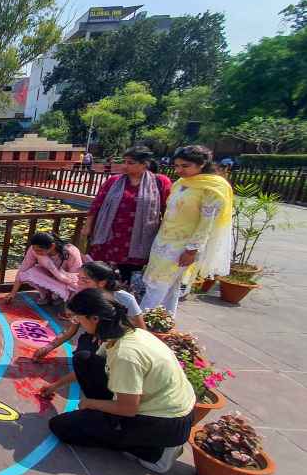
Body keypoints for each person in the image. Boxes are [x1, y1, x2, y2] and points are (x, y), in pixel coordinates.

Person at [44, 289, 196, 473]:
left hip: (164, 423)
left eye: (79, 319)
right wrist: (55, 386)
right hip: (159, 407)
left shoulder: (126, 354)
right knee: (84, 359)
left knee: (61, 427)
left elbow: (128, 408)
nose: (79, 324)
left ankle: (155, 452)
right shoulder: (123, 334)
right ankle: (111, 422)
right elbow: (90, 369)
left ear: (94, 318)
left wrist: (91, 403)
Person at [140, 145, 233, 316]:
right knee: (168, 285)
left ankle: (140, 323)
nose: (179, 170)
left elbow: (207, 223)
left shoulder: (211, 188)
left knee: (158, 283)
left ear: (202, 164)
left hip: (184, 245)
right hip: (164, 240)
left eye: (185, 166)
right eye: (176, 166)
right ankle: (165, 321)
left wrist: (192, 250)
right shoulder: (181, 184)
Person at [83, 146, 172, 284]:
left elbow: (167, 208)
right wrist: (88, 226)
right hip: (110, 233)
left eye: (130, 163)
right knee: (102, 269)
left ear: (144, 164)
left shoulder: (159, 182)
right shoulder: (114, 181)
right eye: (124, 161)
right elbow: (97, 204)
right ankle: (99, 296)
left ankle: (124, 298)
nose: (125, 166)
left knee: (129, 272)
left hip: (138, 236)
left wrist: (166, 233)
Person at [32, 261, 147, 360]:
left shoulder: (126, 299)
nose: (78, 283)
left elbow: (142, 331)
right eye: (79, 279)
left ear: (102, 283)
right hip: (95, 338)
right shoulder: (83, 297)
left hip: (122, 341)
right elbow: (71, 328)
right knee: (83, 357)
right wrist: (49, 347)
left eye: (85, 280)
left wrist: (113, 340)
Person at [5, 232, 83, 306]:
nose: (36, 252)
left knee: (67, 290)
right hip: (52, 277)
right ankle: (46, 295)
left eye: (40, 251)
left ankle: (64, 297)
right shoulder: (34, 249)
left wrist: (71, 305)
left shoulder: (71, 252)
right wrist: (13, 293)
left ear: (52, 246)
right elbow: (23, 269)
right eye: (34, 249)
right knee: (27, 273)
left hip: (67, 279)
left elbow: (76, 277)